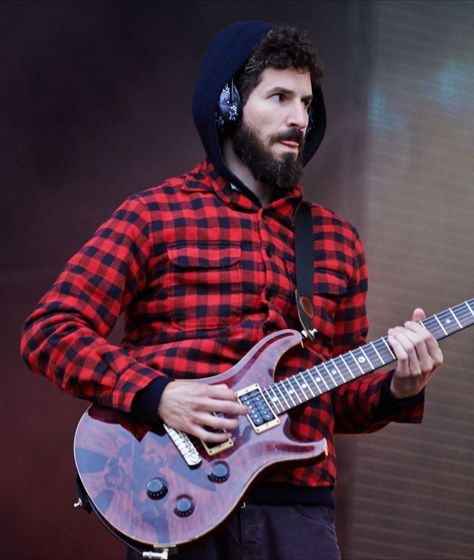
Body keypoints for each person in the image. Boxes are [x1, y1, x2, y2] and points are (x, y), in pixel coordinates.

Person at [20, 21, 443, 560]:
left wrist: (399, 389)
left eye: (307, 102)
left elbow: (339, 399)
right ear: (227, 105)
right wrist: (158, 395)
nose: (299, 119)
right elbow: (49, 333)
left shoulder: (337, 242)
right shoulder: (155, 215)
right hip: (176, 497)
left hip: (299, 512)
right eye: (280, 97)